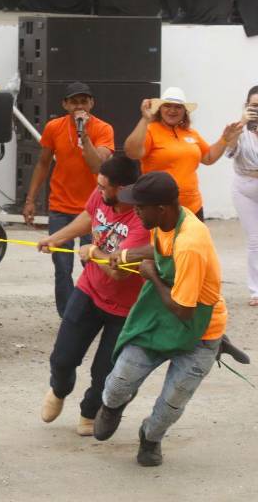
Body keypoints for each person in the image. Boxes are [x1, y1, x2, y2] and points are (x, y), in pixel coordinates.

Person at [92, 171, 228, 467]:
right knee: (118, 383)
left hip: (198, 330)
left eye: (140, 207)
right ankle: (113, 406)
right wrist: (126, 255)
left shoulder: (190, 242)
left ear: (162, 208)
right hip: (159, 315)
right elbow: (161, 249)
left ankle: (150, 438)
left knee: (172, 402)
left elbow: (184, 310)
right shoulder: (168, 220)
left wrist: (151, 274)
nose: (135, 212)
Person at [37, 156, 149, 436]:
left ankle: (89, 413)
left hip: (124, 308)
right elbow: (89, 216)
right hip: (89, 290)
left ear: (121, 189)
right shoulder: (103, 195)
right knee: (62, 358)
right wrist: (57, 238)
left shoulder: (143, 220)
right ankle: (59, 390)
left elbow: (118, 272)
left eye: (103, 186)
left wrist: (94, 252)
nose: (98, 190)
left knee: (104, 373)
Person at [23, 81, 115, 318]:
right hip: (60, 207)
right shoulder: (54, 127)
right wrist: (30, 199)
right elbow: (43, 163)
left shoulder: (103, 129)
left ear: (92, 103)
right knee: (62, 266)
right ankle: (68, 316)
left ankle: (95, 311)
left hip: (93, 210)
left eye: (84, 101)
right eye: (74, 102)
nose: (79, 106)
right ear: (65, 104)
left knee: (92, 263)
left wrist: (85, 137)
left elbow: (97, 165)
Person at [123, 86, 242, 220]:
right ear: (160, 108)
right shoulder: (150, 130)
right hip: (160, 208)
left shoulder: (191, 133)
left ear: (185, 111)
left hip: (193, 208)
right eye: (167, 105)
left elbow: (208, 158)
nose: (172, 110)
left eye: (178, 107)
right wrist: (145, 119)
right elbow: (132, 152)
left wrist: (224, 139)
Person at [227, 85, 258, 306]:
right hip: (244, 189)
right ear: (246, 106)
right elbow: (229, 151)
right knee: (256, 240)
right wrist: (241, 124)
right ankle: (256, 290)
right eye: (254, 105)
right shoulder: (237, 128)